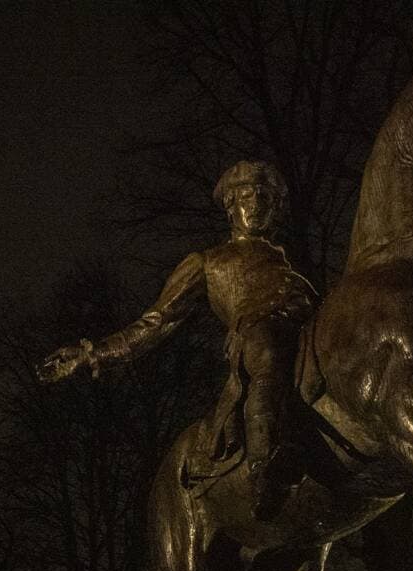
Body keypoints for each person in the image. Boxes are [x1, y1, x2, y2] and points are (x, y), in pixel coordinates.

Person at [38, 160, 316, 520]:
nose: (258, 204)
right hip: (258, 338)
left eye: (266, 197)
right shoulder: (208, 262)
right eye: (248, 196)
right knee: (266, 346)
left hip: (304, 329)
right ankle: (265, 466)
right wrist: (95, 354)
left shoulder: (287, 265)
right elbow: (157, 321)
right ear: (231, 206)